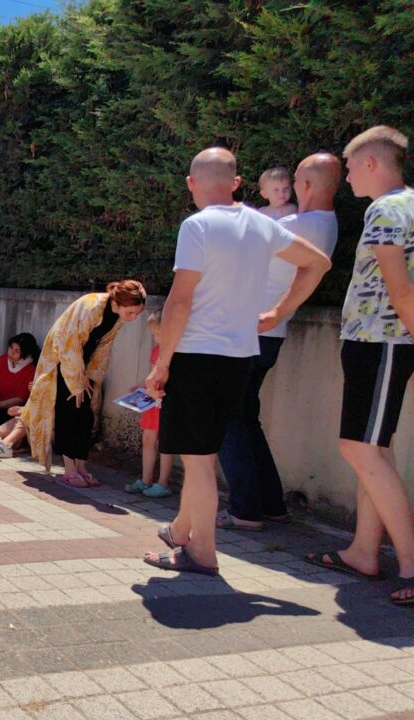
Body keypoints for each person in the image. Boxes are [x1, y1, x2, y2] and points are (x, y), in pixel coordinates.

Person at [143, 147, 330, 577]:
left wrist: (162, 363)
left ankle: (201, 554)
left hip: (195, 356)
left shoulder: (198, 226)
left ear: (191, 184)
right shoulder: (263, 225)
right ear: (236, 182)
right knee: (204, 455)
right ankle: (179, 532)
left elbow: (180, 300)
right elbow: (318, 263)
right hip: (239, 356)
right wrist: (280, 312)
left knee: (199, 461)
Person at [305, 126, 414, 607]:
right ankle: (364, 552)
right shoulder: (405, 204)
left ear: (372, 162)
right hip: (379, 341)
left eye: (349, 166)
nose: (346, 176)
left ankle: (411, 564)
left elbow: (400, 287)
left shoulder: (387, 208)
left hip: (381, 341)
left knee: (360, 449)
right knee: (375, 450)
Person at [217, 153, 342, 529]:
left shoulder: (295, 226)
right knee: (244, 417)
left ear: (305, 186)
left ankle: (245, 510)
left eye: (295, 181)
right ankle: (270, 504)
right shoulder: (324, 224)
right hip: (269, 335)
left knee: (226, 418)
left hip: (251, 333)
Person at [0, 283, 147, 489]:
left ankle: (81, 467)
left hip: (84, 367)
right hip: (61, 364)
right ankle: (69, 469)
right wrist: (76, 379)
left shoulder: (117, 317)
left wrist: (91, 378)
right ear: (117, 303)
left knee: (86, 415)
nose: (133, 318)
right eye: (131, 312)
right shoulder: (90, 305)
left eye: (136, 313)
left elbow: (103, 349)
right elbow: (68, 342)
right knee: (68, 413)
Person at [124, 312, 173, 498]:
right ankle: (145, 480)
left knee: (166, 443)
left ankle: (163, 483)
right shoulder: (157, 350)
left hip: (165, 399)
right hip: (151, 400)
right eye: (153, 334)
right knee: (148, 439)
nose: (155, 338)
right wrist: (141, 386)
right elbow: (153, 372)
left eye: (159, 334)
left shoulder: (175, 351)